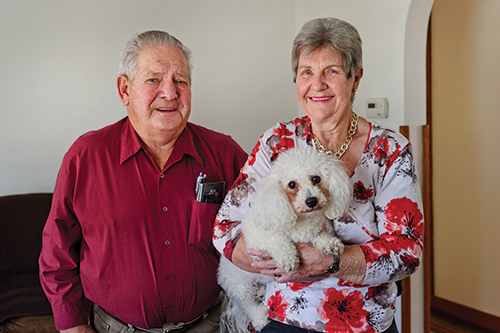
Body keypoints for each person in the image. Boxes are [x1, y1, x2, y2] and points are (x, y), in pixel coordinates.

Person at [213, 17, 423, 333]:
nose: (317, 84)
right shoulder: (276, 142)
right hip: (284, 320)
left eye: (332, 71)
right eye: (306, 72)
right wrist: (272, 257)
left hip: (365, 322)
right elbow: (223, 228)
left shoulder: (390, 150)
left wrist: (331, 263)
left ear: (356, 78)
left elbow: (407, 253)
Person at [39, 30, 248, 333]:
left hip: (208, 324)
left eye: (181, 81)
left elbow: (260, 230)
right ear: (125, 90)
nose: (170, 93)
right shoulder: (85, 158)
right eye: (153, 80)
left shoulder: (226, 154)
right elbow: (56, 254)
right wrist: (72, 326)